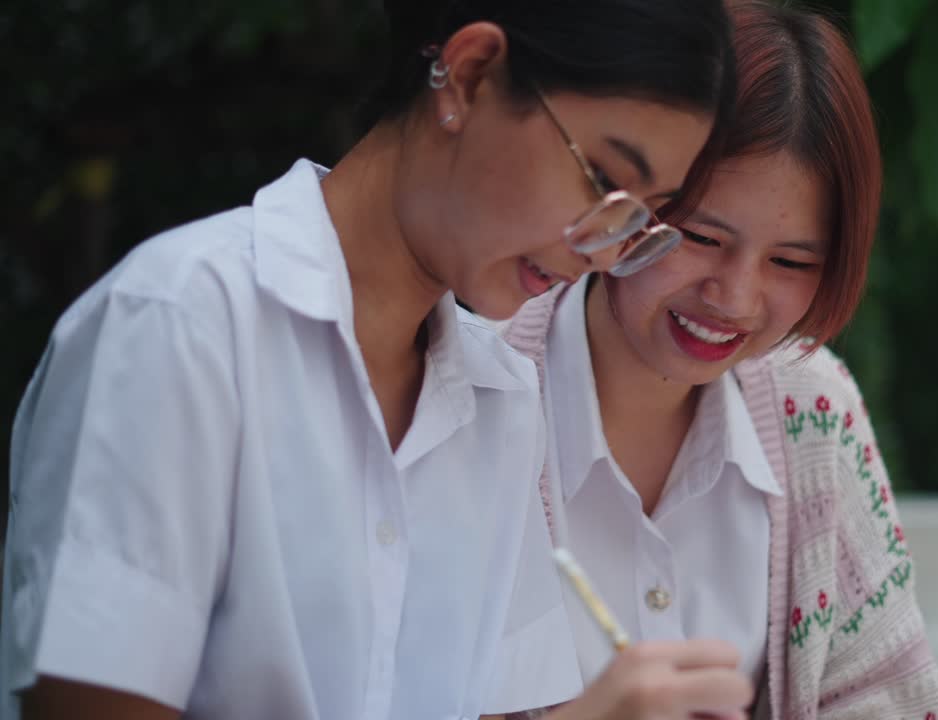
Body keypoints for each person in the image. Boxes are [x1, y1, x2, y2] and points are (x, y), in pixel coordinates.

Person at [1, 2, 756, 718]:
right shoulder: (180, 324)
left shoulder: (501, 398)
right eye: (603, 183)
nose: (604, 251)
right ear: (470, 76)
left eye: (639, 220)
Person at [503, 1, 938, 717]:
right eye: (703, 238)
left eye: (791, 261)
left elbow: (887, 694)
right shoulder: (476, 394)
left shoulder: (814, 409)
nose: (735, 299)